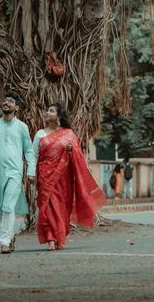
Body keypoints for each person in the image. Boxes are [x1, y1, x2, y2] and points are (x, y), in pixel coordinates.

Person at [29, 102, 106, 251]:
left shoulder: (69, 133)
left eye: (51, 111)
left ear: (58, 115)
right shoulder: (40, 134)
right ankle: (51, 238)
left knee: (61, 207)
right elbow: (33, 155)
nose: (47, 113)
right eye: (47, 110)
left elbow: (78, 155)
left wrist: (71, 151)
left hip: (64, 177)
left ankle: (59, 236)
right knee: (47, 206)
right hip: (45, 175)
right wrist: (31, 173)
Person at [0, 94, 36, 254]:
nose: (6, 102)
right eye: (5, 100)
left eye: (10, 101)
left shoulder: (21, 127)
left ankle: (4, 241)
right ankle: (10, 236)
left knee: (8, 205)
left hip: (15, 172)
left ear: (17, 107)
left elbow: (29, 151)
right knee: (1, 208)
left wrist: (31, 171)